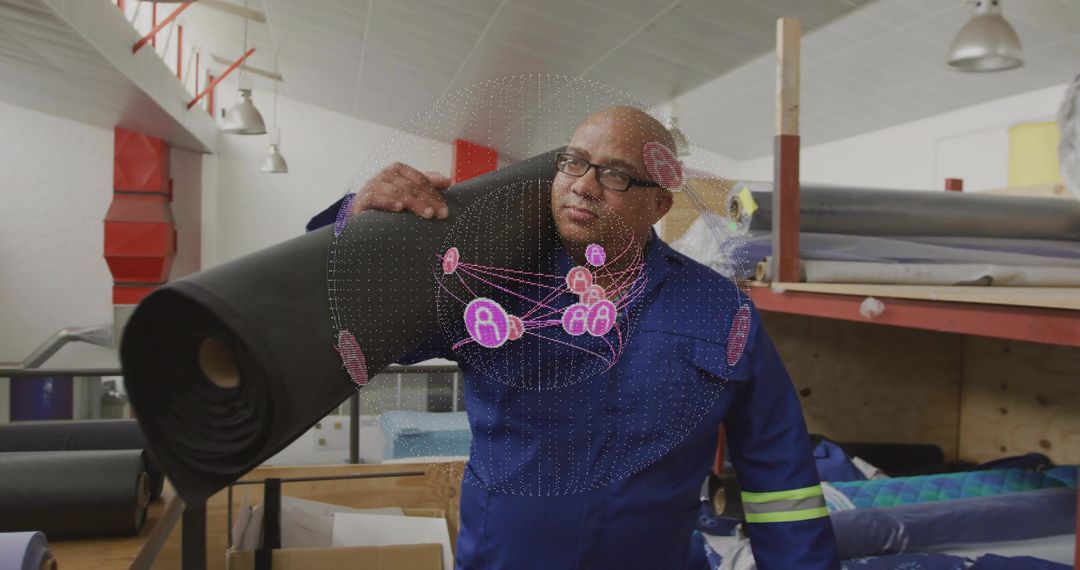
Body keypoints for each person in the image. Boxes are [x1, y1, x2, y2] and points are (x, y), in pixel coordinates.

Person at [309, 107, 839, 569]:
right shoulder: (487, 284)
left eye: (617, 175)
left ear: (658, 205)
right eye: (573, 162)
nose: (584, 185)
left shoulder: (721, 311)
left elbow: (782, 483)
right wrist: (355, 224)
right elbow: (340, 326)